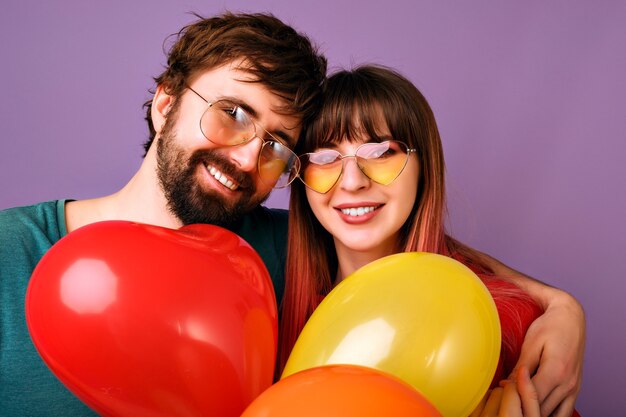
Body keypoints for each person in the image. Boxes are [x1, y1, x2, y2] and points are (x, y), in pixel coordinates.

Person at [0, 12, 581, 417]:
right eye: (231, 113)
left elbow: (422, 270)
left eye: (277, 144)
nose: (249, 155)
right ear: (165, 103)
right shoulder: (12, 250)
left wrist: (560, 306)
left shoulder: (273, 254)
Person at [278, 65, 583, 416]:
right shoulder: (282, 313)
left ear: (424, 164)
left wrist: (563, 306)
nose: (351, 182)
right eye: (324, 158)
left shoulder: (504, 322)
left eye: (379, 152)